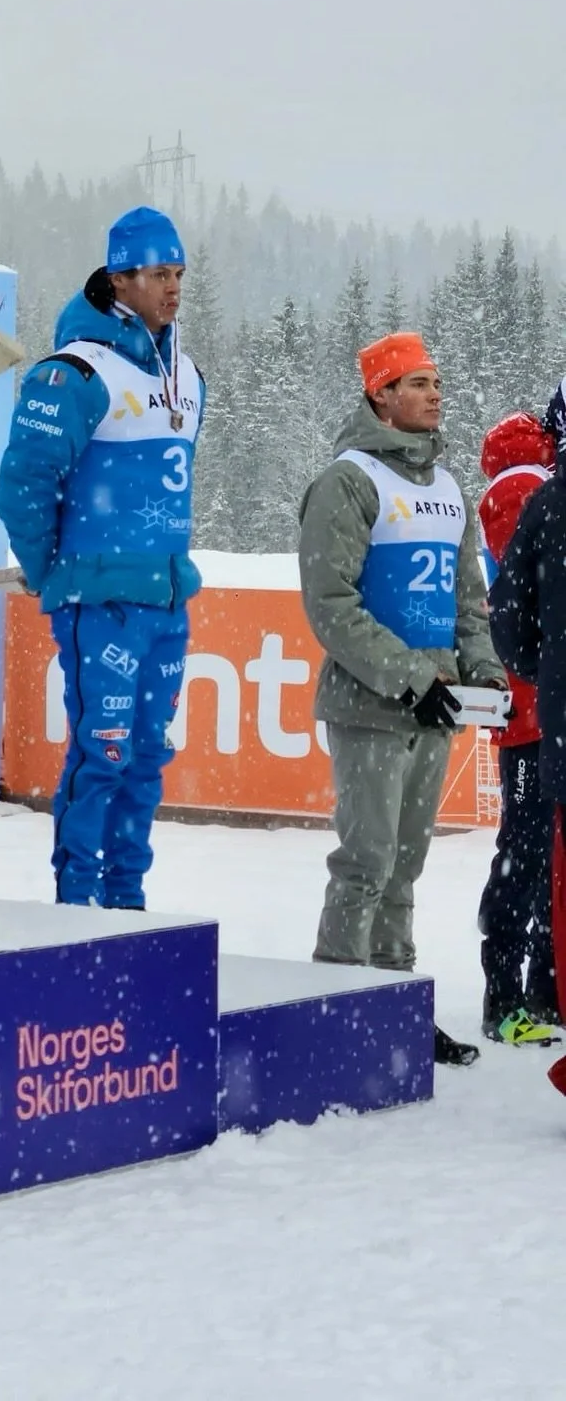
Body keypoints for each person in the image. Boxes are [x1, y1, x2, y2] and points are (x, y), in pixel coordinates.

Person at [299, 331, 505, 1068]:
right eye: (417, 382)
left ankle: (392, 1008)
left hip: (436, 707)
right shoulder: (347, 480)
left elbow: (467, 601)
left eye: (436, 382)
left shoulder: (449, 488)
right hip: (372, 706)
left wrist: (481, 674)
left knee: (406, 866)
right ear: (381, 395)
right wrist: (411, 678)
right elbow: (330, 603)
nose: (434, 394)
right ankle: (338, 1015)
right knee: (365, 863)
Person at [0, 207, 200, 910]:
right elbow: (23, 484)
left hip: (167, 600)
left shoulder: (187, 374)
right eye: (157, 274)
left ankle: (127, 898)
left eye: (179, 273)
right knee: (103, 753)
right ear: (119, 279)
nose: (172, 287)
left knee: (146, 759)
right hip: (100, 602)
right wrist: (54, 572)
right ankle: (77, 903)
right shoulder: (74, 371)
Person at [475, 412, 558, 1045]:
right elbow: (526, 592)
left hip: (535, 709)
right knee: (526, 851)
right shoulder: (521, 491)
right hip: (530, 712)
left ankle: (540, 986)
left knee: (537, 855)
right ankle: (508, 993)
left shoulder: (517, 489)